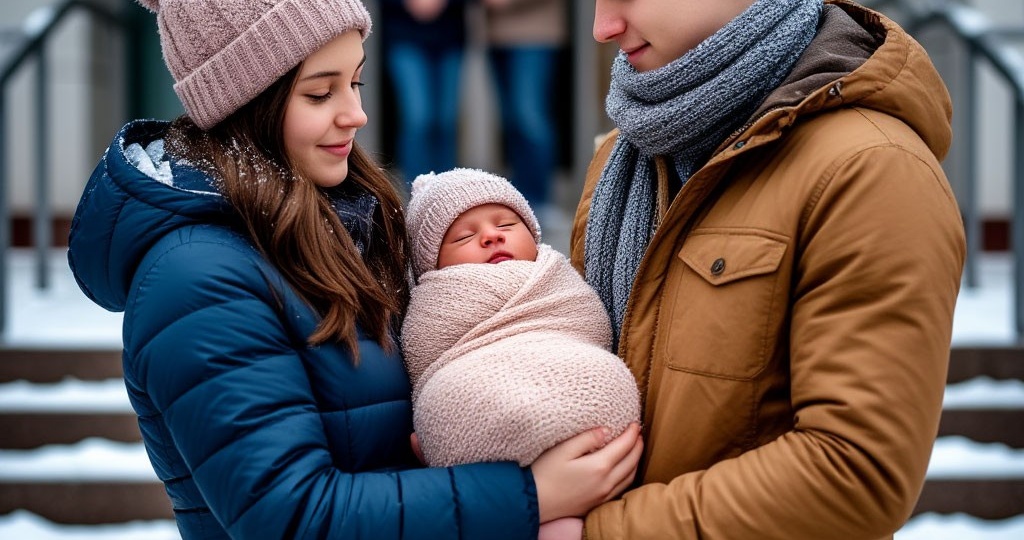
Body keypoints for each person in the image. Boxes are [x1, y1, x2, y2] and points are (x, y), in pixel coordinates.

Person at [66, 1, 642, 538]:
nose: (357, 114)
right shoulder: (196, 278)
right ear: (247, 103)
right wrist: (529, 494)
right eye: (321, 94)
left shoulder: (338, 223)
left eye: (356, 80)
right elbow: (289, 514)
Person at [568, 0, 967, 538]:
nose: (602, 27)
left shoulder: (872, 169)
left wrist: (596, 532)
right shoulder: (626, 157)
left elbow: (854, 475)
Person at [401, 168, 640, 469]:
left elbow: (590, 323)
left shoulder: (555, 274)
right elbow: (424, 356)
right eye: (465, 236)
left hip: (570, 367)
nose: (491, 236)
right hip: (477, 392)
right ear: (431, 266)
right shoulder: (435, 299)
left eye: (507, 224)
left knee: (607, 371)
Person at [481, 0, 568, 213]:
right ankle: (519, 198)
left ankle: (539, 200)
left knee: (529, 118)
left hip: (535, 32)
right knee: (512, 122)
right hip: (495, 33)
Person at [381, 0, 468, 182]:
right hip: (404, 34)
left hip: (450, 36)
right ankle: (416, 189)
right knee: (418, 118)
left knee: (446, 120)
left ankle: (448, 189)